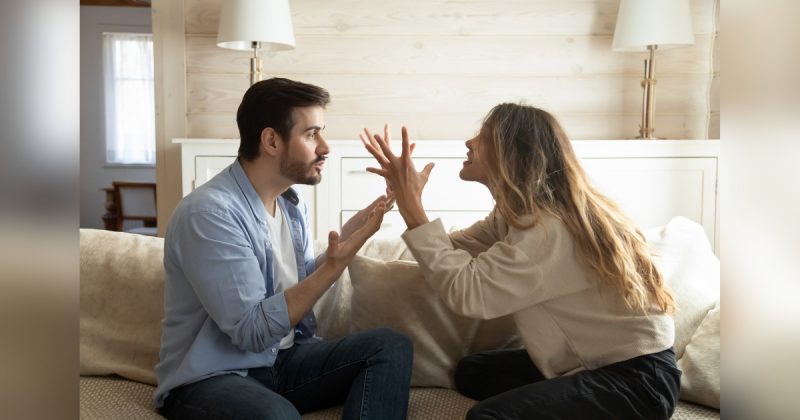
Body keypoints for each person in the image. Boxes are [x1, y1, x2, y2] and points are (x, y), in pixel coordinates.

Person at [359, 103, 681, 420]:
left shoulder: (548, 231)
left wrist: (413, 207)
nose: (469, 143)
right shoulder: (517, 215)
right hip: (597, 362)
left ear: (511, 153)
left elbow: (469, 293)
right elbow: (449, 251)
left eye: (482, 137)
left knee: (487, 417)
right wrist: (406, 203)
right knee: (472, 373)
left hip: (638, 381)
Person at [154, 77, 413, 420]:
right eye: (311, 134)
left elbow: (300, 287)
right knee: (277, 417)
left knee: (390, 346)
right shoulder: (210, 214)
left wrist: (356, 235)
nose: (325, 147)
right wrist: (334, 266)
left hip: (282, 361)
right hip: (213, 377)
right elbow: (252, 332)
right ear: (271, 141)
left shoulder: (291, 204)